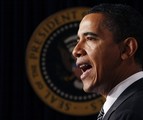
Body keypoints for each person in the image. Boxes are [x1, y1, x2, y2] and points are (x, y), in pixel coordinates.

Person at [72, 3, 143, 120]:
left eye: (90, 38)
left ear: (126, 49)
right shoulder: (125, 105)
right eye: (78, 40)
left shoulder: (130, 113)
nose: (76, 51)